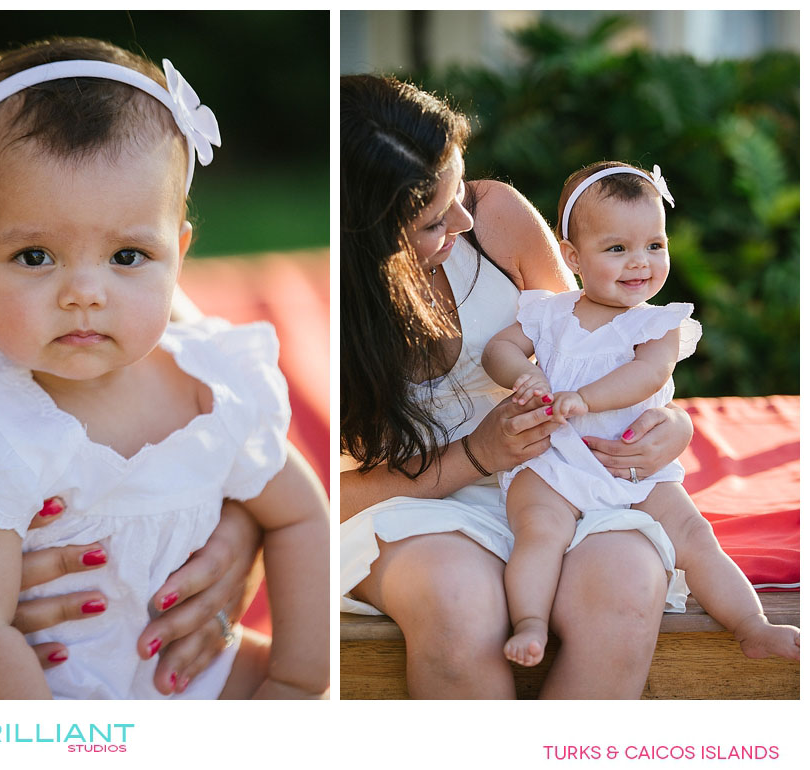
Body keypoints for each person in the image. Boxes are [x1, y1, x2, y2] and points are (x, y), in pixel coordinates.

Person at [0, 35, 329, 699]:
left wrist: (296, 680)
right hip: (51, 694)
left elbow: (301, 515)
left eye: (127, 257)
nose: (84, 293)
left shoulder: (212, 391)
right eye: (35, 257)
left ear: (178, 254)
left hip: (187, 673)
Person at [341, 74, 701, 699]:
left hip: (555, 477)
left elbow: (596, 347)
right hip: (403, 504)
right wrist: (478, 455)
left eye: (459, 188)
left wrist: (673, 425)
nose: (462, 217)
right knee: (458, 607)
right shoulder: (333, 308)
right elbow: (327, 496)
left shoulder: (495, 217)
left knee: (625, 588)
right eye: (433, 219)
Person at [482, 160, 800, 667]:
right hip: (553, 459)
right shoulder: (549, 312)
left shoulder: (657, 324)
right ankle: (530, 622)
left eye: (655, 245)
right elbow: (498, 349)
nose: (640, 263)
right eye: (617, 249)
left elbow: (648, 375)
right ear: (573, 256)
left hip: (636, 466)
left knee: (695, 534)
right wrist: (524, 374)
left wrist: (585, 398)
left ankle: (752, 625)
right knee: (540, 530)